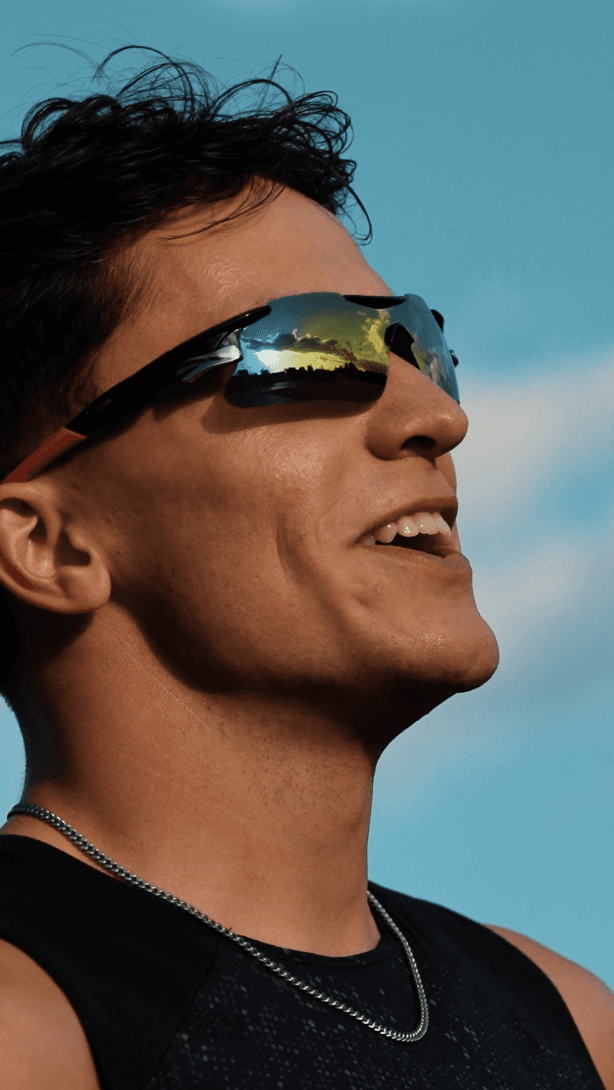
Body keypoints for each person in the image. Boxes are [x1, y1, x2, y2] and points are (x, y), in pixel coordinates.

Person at [0, 46, 612, 1090]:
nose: (437, 416)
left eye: (418, 345)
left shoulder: (568, 1018)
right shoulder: (26, 1020)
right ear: (51, 545)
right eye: (304, 350)